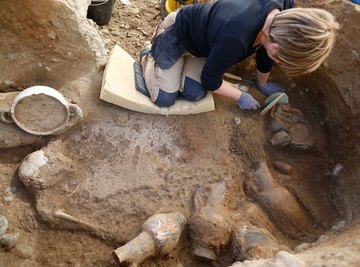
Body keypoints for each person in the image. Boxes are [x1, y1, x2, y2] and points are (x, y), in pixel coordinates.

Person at [140, 0, 339, 110]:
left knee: (193, 93)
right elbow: (210, 80)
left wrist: (263, 84)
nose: (278, 62)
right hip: (178, 32)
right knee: (164, 98)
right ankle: (149, 52)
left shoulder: (283, 11)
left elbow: (265, 52)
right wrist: (240, 96)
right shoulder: (236, 38)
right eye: (281, 60)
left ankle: (175, 66)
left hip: (206, 45)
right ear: (276, 49)